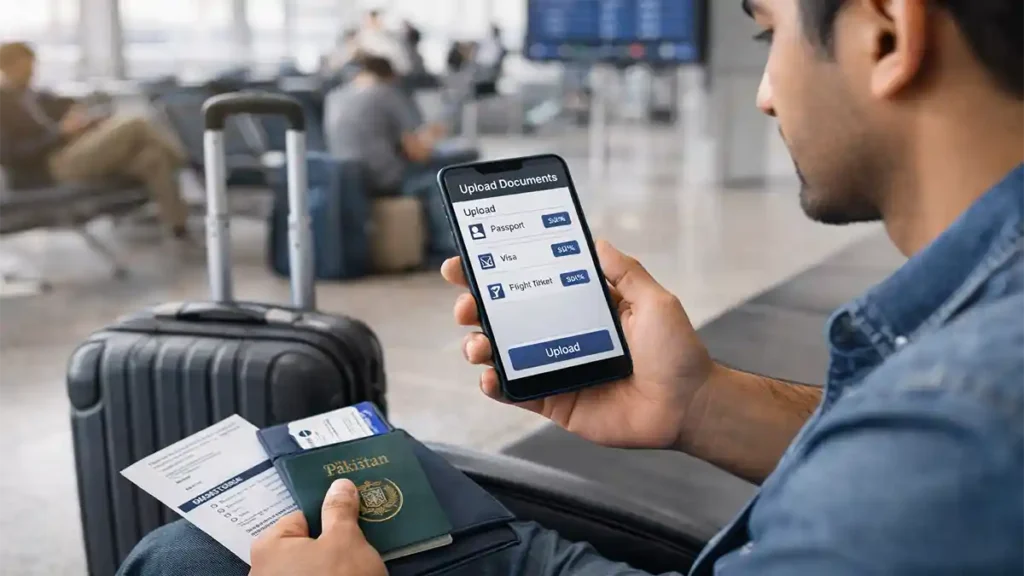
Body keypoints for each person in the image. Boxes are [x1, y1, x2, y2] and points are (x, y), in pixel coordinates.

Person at [119, 0, 1024, 574]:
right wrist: (702, 403)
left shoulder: (955, 435)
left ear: (887, 32)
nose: (764, 92)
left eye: (768, 33)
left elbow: (925, 467)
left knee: (187, 561)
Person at [0, 42, 190, 238]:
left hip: (75, 151)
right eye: (26, 69)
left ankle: (179, 230)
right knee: (136, 123)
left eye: (33, 67)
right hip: (50, 167)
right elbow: (11, 155)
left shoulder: (37, 96)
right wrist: (61, 134)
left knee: (153, 157)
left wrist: (86, 122)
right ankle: (187, 160)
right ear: (6, 67)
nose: (32, 74)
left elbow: (69, 109)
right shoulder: (3, 103)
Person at [322, 50, 452, 262]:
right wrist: (432, 138)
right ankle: (446, 250)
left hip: (345, 177)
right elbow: (417, 153)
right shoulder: (386, 94)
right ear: (391, 75)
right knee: (441, 179)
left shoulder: (335, 96)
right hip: (384, 179)